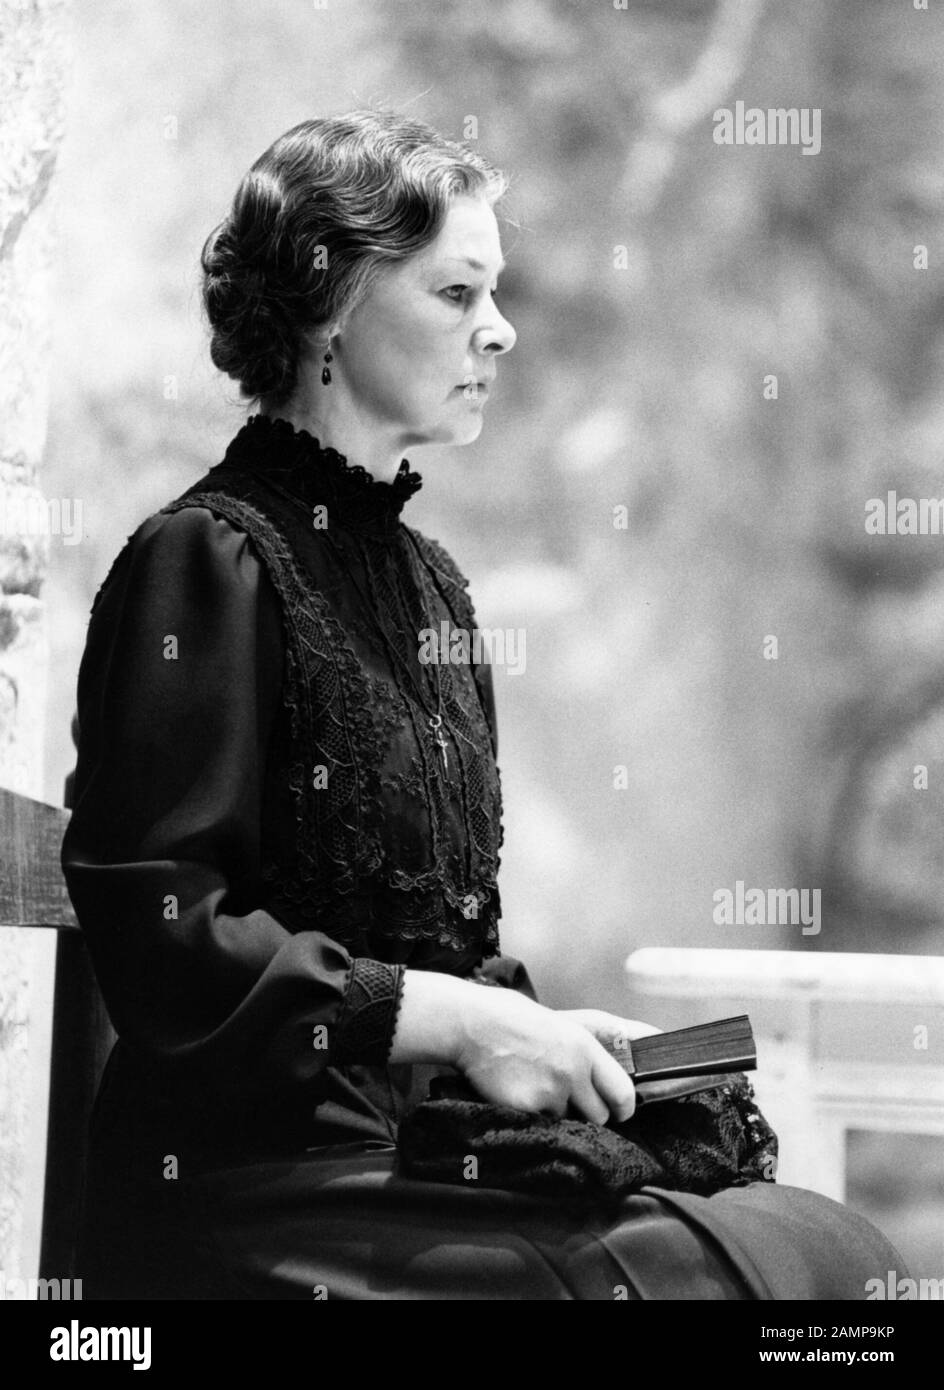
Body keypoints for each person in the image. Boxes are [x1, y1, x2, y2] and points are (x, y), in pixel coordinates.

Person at [61, 109, 902, 1300]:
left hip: (407, 1161)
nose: (498, 332)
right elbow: (164, 936)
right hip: (239, 1193)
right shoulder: (205, 561)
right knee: (675, 1275)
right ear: (330, 306)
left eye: (494, 294)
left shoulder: (433, 589)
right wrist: (458, 1023)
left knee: (836, 1252)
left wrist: (541, 1033)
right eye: (457, 294)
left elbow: (435, 955)